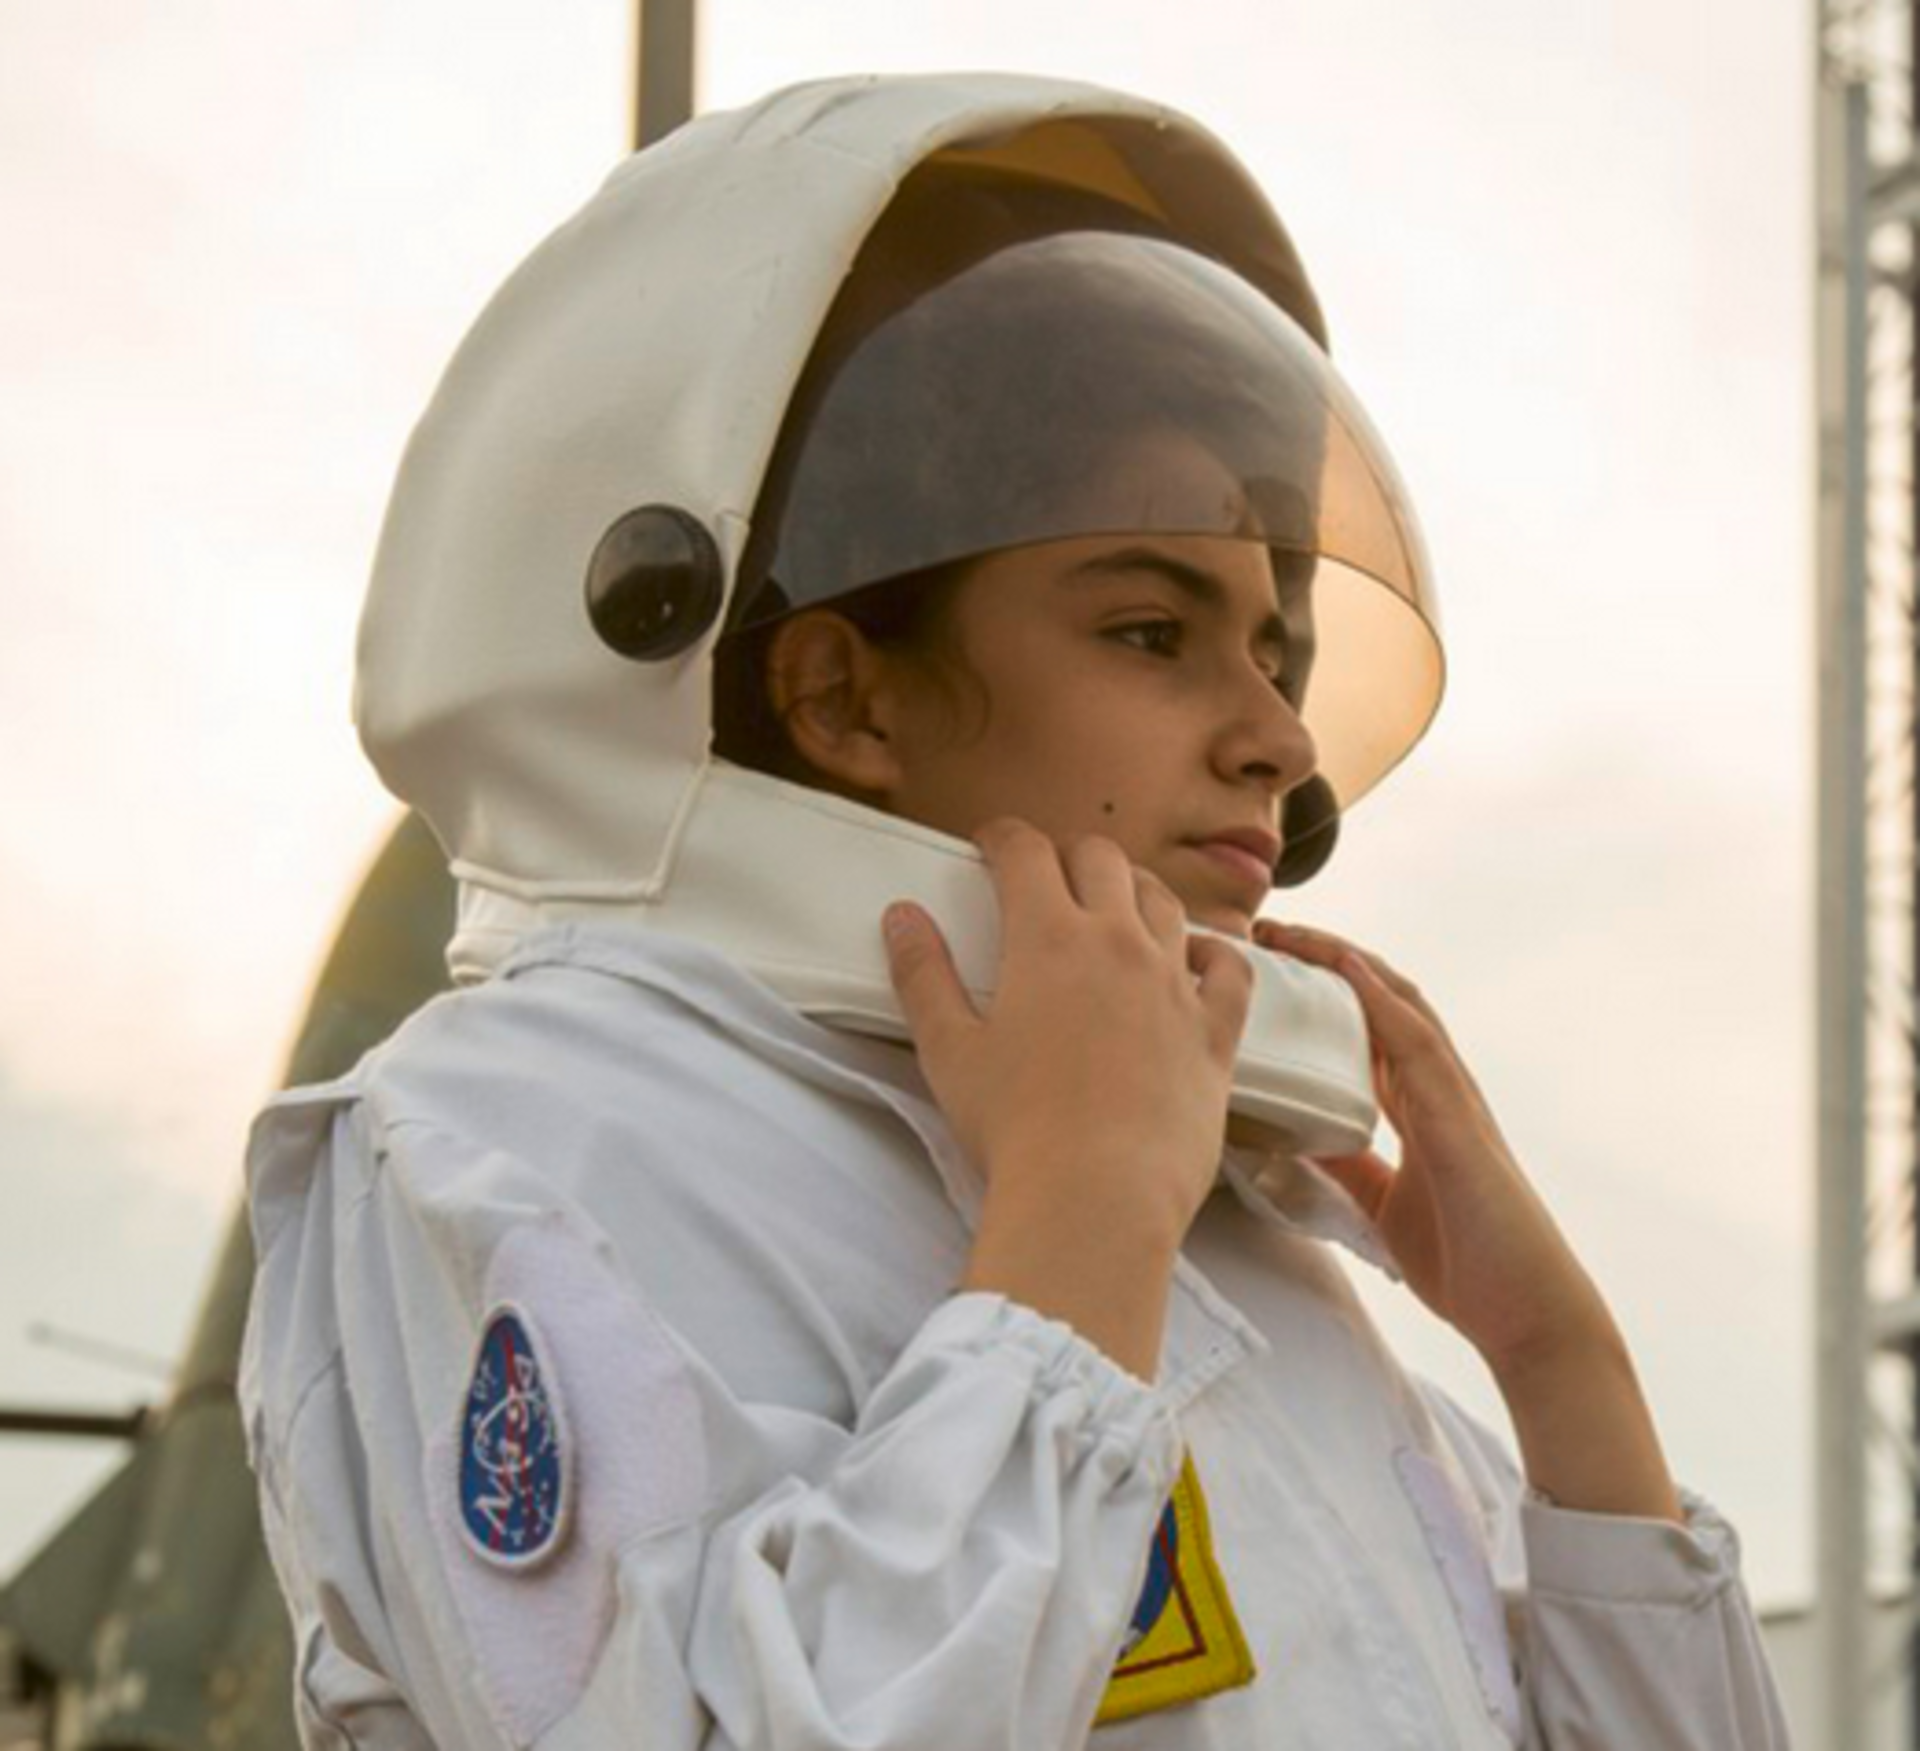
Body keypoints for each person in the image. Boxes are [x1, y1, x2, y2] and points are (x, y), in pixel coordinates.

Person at [238, 71, 1791, 1748]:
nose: (1274, 734)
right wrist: (1075, 1231)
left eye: (1275, 648)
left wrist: (1558, 1364)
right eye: (1150, 629)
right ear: (843, 695)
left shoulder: (1254, 1238)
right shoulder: (517, 1130)